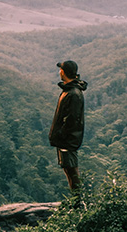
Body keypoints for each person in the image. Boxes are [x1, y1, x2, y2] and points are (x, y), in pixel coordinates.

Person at [50, 60, 87, 195]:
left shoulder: (73, 93)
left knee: (71, 169)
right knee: (67, 168)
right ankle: (75, 200)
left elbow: (72, 119)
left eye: (61, 69)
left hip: (68, 138)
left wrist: (62, 134)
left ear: (63, 72)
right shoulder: (70, 90)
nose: (59, 71)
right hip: (65, 138)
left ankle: (77, 201)